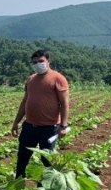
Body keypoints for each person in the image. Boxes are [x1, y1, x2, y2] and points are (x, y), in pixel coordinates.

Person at [11, 49, 70, 179]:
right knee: (22, 157)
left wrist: (63, 126)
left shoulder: (58, 78)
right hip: (29, 126)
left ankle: (43, 189)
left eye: (41, 61)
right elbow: (24, 102)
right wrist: (16, 123)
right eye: (35, 62)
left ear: (48, 61)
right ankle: (18, 184)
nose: (38, 64)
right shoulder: (31, 79)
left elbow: (64, 103)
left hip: (49, 127)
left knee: (47, 160)